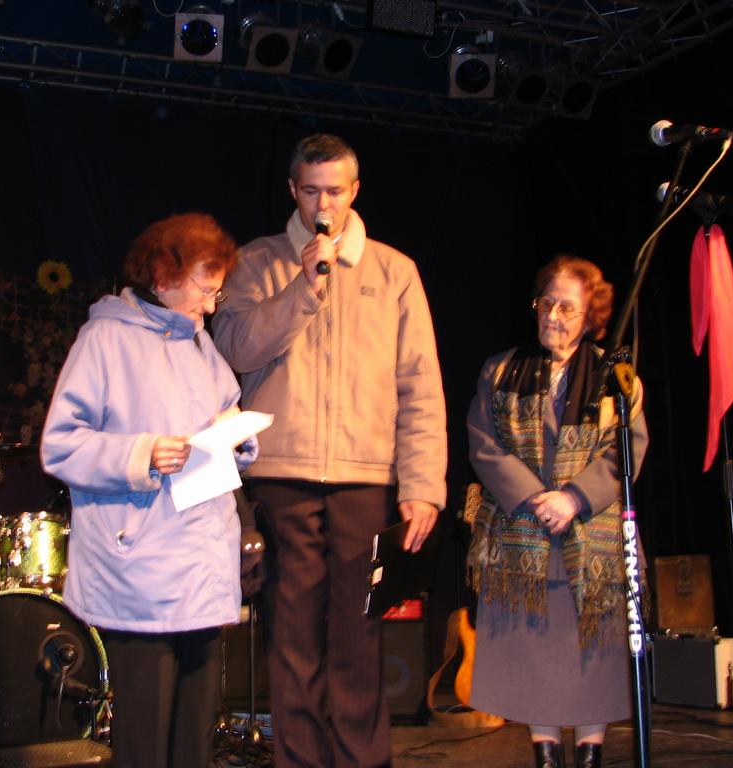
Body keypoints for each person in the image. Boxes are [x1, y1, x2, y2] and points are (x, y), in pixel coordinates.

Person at [212, 133, 447, 768]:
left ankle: (363, 760)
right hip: (282, 473)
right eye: (311, 191)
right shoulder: (256, 262)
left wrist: (422, 484)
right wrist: (303, 287)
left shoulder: (395, 271)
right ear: (293, 190)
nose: (324, 204)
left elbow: (420, 384)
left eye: (336, 191)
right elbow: (234, 350)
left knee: (359, 635)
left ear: (355, 190)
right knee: (291, 637)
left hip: (365, 478)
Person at [40, 212, 258, 768]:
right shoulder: (105, 340)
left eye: (216, 293)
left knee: (194, 734)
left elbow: (224, 414)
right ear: (163, 277)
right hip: (140, 565)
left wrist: (235, 435)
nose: (211, 306)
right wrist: (142, 454)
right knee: (145, 735)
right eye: (204, 289)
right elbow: (60, 445)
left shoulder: (200, 344)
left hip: (202, 563)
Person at [466, 255, 649, 768]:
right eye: (546, 303)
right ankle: (545, 754)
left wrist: (574, 498)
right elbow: (483, 443)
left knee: (592, 654)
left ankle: (590, 754)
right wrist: (533, 496)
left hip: (593, 540)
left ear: (591, 316)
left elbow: (627, 450)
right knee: (533, 655)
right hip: (522, 534)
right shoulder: (500, 370)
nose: (552, 315)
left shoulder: (618, 379)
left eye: (566, 307)